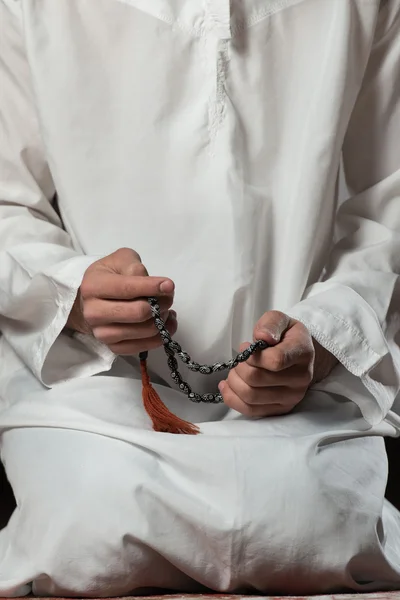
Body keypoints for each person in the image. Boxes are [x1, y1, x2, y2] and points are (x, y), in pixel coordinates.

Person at [0, 0, 399, 596]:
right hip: (91, 392)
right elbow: (6, 202)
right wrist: (74, 290)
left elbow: (387, 207)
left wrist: (322, 339)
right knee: (89, 522)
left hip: (305, 405)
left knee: (304, 514)